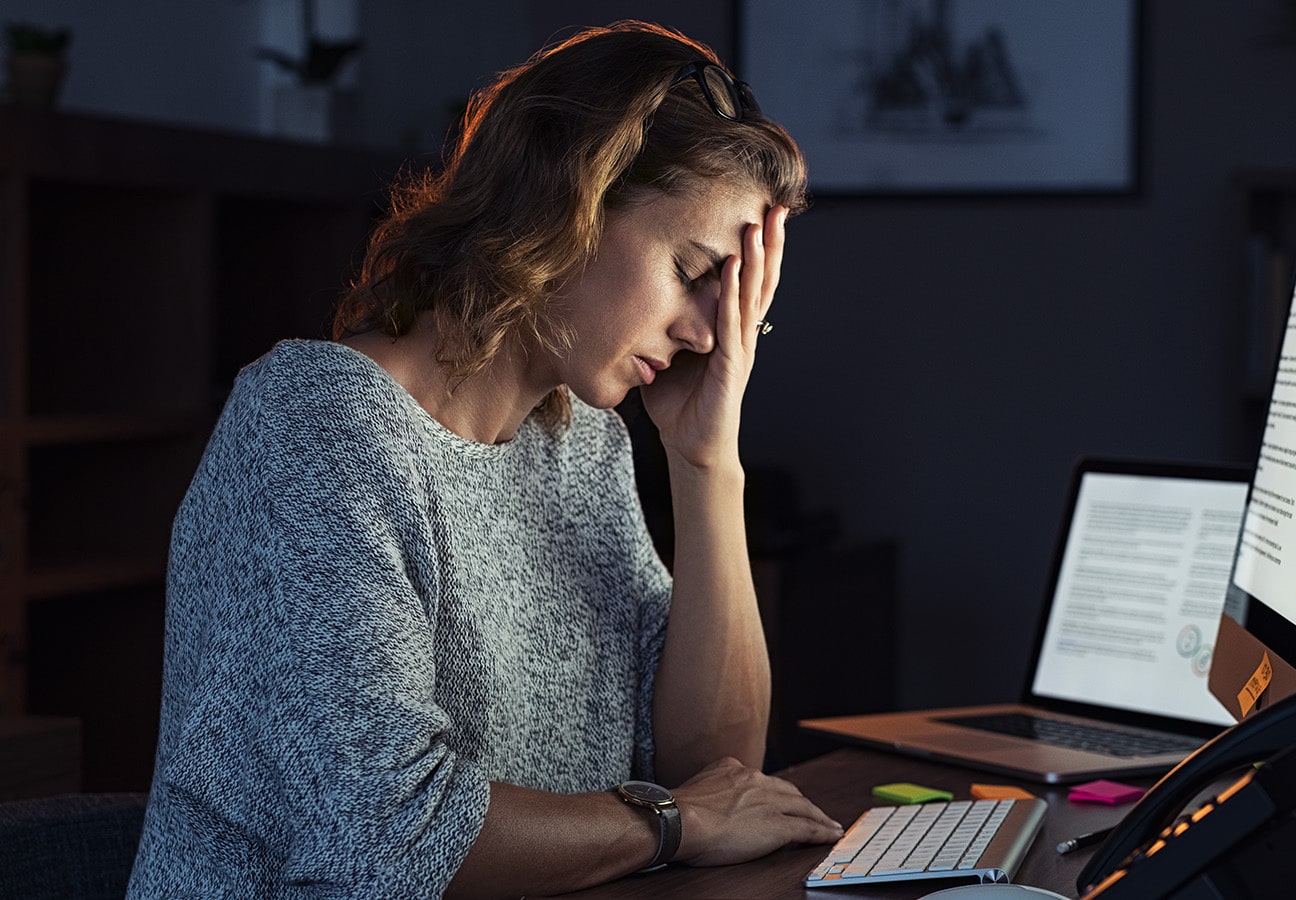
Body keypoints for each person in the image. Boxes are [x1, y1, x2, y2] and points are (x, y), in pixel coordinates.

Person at [127, 20, 844, 898]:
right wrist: (674, 823)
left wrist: (707, 463)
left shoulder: (579, 445)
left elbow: (719, 773)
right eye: (693, 270)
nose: (705, 332)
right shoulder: (314, 428)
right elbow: (388, 840)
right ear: (569, 201)